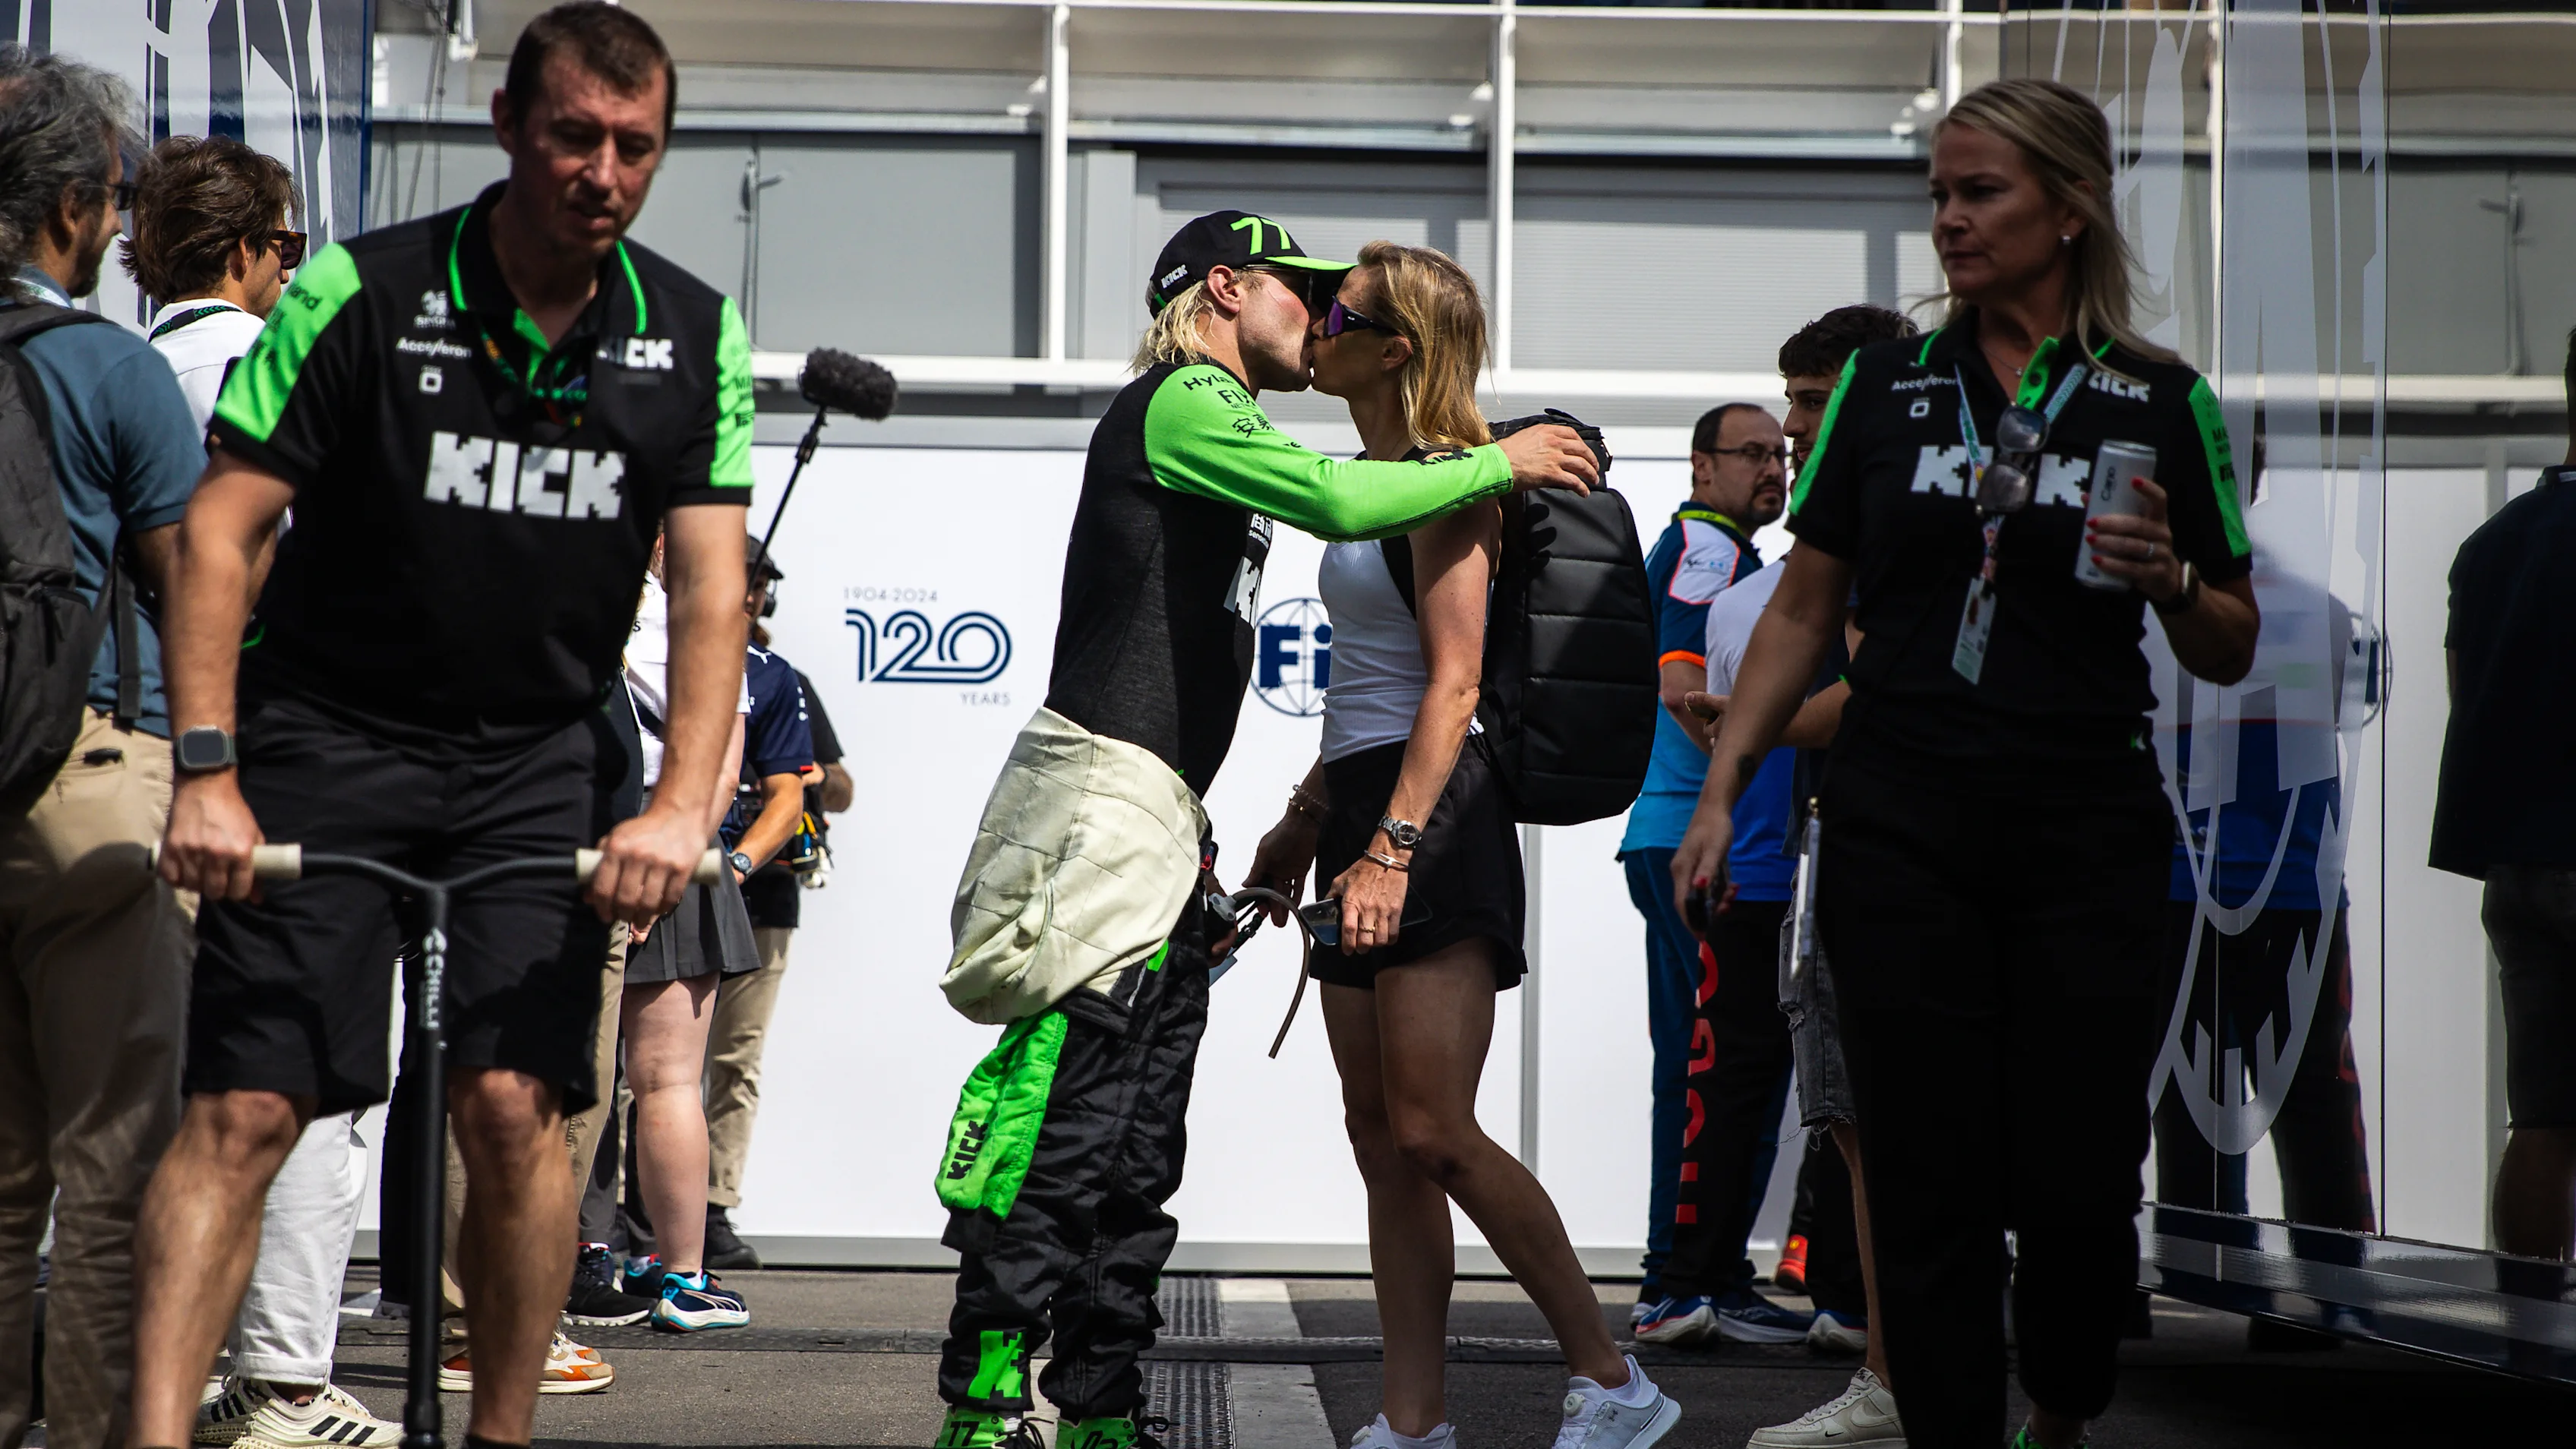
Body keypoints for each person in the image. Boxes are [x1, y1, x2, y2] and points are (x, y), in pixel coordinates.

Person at [131, 6, 753, 1448]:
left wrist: (677, 807)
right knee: (247, 1104)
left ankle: (502, 1431)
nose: (604, 172)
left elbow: (715, 591)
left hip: (535, 754)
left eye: (636, 147)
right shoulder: (354, 287)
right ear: (507, 127)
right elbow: (220, 533)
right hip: (326, 732)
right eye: (574, 137)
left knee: (511, 1100)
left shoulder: (692, 333)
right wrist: (209, 769)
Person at [930, 210, 1600, 1449]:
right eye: (1302, 293)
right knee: (1065, 1116)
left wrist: (1289, 823)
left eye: (1340, 308)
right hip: (1099, 802)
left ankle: (1097, 1411)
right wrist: (1498, 460)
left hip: (1154, 812)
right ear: (1227, 290)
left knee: (1136, 1141)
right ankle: (982, 1414)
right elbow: (1336, 495)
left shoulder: (1218, 416)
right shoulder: (1185, 392)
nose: (1318, 317)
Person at [1676, 77, 2259, 1449]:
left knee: (2071, 1183)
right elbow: (1808, 606)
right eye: (1936, 193)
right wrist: (1721, 787)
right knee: (1923, 1174)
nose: (1947, 220)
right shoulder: (1884, 387)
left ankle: (2058, 1405)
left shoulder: (2166, 401)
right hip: (1900, 818)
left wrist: (2169, 575)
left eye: (1978, 192)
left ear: (2068, 208)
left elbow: (2227, 637)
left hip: (2083, 826)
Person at [1241, 242, 1680, 1449]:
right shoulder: (1378, 475)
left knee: (1436, 1128)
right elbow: (1368, 691)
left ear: (1396, 348)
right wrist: (1307, 818)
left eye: (1341, 310)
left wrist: (1387, 848)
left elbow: (1452, 685)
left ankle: (1614, 1379)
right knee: (1380, 1137)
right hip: (1367, 805)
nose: (1315, 321)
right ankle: (1414, 1423)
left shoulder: (1449, 477)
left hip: (1434, 818)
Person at [124, 131, 403, 1449]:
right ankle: (286, 1373)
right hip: (270, 752)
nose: (293, 272)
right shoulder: (265, 369)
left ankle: (160, 1372)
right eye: (286, 248)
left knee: (163, 1086)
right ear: (246, 251)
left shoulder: (118, 371)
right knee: (307, 1081)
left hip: (125, 749)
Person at [0, 49, 202, 1449]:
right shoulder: (106, 368)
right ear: (72, 204)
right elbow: (204, 591)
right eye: (116, 199)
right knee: (114, 1171)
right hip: (86, 791)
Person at [1682, 305, 1917, 1449]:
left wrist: (1751, 739)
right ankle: (1896, 1370)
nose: (1791, 426)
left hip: (1909, 857)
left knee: (1878, 1125)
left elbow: (1872, 688)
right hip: (1858, 849)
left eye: (1812, 404)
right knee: (1859, 1123)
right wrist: (1733, 772)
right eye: (1785, 406)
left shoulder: (1894, 507)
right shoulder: (1852, 517)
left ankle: (1898, 1372)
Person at [1620, 402, 1810, 1347]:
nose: (1771, 470)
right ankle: (1684, 1284)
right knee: (1711, 1067)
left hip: (1682, 836)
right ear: (1701, 468)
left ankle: (1694, 1279)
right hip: (1697, 841)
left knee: (1704, 1062)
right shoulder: (1709, 548)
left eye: (1779, 455)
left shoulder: (1710, 544)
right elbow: (1680, 685)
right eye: (1751, 455)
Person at [2432, 329, 2576, 1261]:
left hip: (2517, 870)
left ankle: (2526, 1344)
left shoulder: (2488, 546)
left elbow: (2463, 696)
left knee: (2543, 1118)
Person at [610, 531, 760, 1331]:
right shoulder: (706, 612)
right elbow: (723, 766)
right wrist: (671, 867)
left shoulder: (565, 581)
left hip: (572, 829)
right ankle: (682, 1278)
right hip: (673, 829)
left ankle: (579, 1264)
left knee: (567, 1081)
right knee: (667, 1080)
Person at [702, 541, 819, 1271]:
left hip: (763, 895)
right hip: (674, 880)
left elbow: (823, 781)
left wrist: (805, 784)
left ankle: (712, 1207)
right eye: (750, 586)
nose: (756, 601)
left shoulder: (781, 681)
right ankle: (618, 1220)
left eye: (763, 590)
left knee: (734, 1059)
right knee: (630, 1070)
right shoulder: (651, 664)